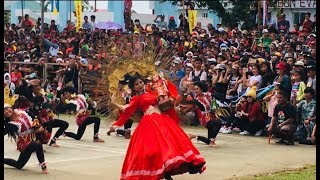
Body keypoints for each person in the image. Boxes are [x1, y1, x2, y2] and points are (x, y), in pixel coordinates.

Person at [109, 75, 206, 180]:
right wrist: (114, 102)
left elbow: (164, 100)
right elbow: (125, 109)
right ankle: (163, 174)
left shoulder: (152, 92)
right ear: (133, 87)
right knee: (154, 150)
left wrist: (165, 91)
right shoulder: (136, 98)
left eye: (141, 82)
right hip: (149, 123)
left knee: (170, 145)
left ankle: (167, 173)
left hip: (162, 119)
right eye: (136, 84)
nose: (140, 85)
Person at [4, 104, 48, 174]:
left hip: (32, 139)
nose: (6, 111)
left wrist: (39, 127)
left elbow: (35, 118)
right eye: (4, 112)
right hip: (24, 143)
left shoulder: (23, 112)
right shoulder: (11, 124)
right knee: (38, 145)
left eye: (6, 108)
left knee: (19, 165)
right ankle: (44, 167)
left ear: (11, 107)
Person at [188, 81, 222, 145]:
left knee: (208, 141)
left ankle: (194, 136)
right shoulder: (196, 100)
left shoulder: (208, 94)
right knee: (218, 123)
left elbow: (218, 96)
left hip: (212, 115)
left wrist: (214, 98)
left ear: (201, 89)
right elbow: (202, 108)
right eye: (194, 89)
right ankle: (212, 140)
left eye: (197, 89)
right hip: (205, 118)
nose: (195, 91)